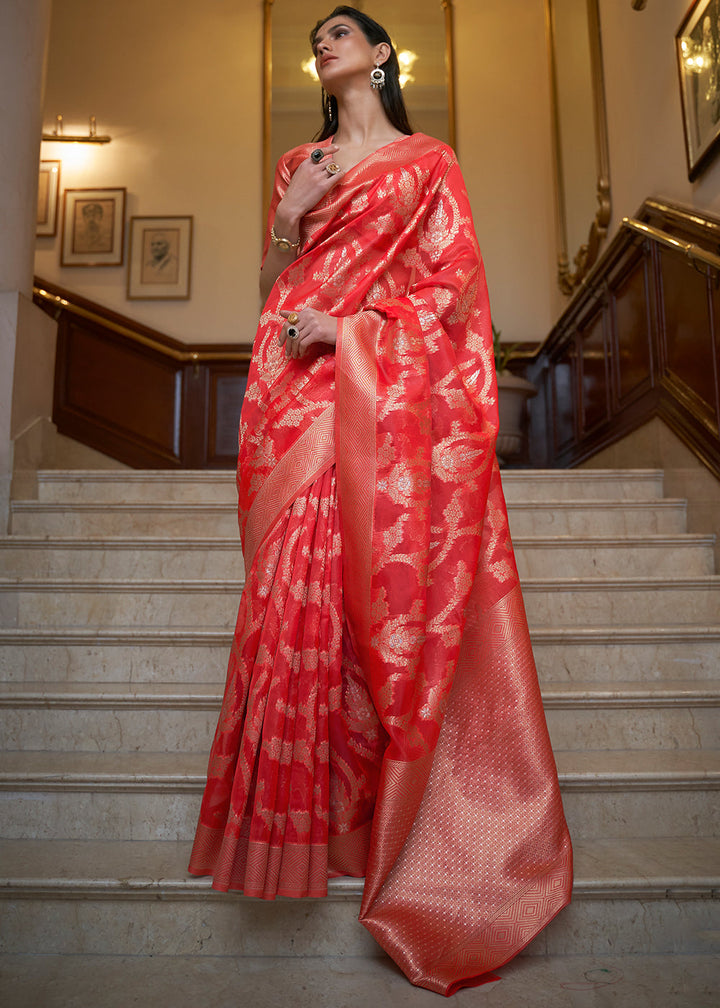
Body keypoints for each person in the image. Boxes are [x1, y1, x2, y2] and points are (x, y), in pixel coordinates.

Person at [189, 5, 572, 995]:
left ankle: (385, 831)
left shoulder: (428, 164)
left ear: (383, 54)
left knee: (360, 600)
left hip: (363, 389)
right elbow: (271, 289)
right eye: (314, 36)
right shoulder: (298, 166)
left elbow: (452, 291)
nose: (324, 43)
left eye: (342, 32)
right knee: (289, 597)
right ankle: (284, 833)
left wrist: (349, 326)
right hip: (290, 398)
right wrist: (286, 219)